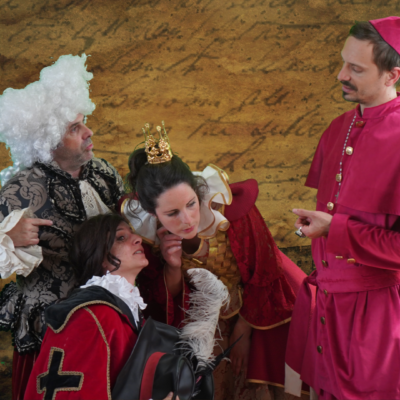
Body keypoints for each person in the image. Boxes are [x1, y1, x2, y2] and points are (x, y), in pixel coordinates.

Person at [120, 123, 307, 399]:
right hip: (203, 320)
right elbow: (165, 308)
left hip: (259, 305)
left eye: (191, 204)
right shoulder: (148, 240)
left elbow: (265, 271)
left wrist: (243, 331)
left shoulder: (233, 212)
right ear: (152, 213)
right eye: (172, 213)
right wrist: (172, 267)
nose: (187, 220)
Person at [285, 17, 400, 400]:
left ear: (392, 75)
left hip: (378, 320)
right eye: (342, 62)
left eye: (356, 68)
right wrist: (318, 228)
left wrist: (334, 230)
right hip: (326, 312)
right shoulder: (338, 128)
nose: (341, 75)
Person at [0, 54, 124, 399]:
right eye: (74, 129)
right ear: (48, 141)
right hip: (54, 331)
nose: (88, 132)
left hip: (111, 318)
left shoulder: (104, 172)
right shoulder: (19, 190)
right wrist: (6, 238)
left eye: (84, 123)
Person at [25, 213, 226, 399]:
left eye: (133, 233)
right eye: (121, 238)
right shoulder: (90, 315)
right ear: (101, 257)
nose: (137, 238)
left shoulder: (123, 311)